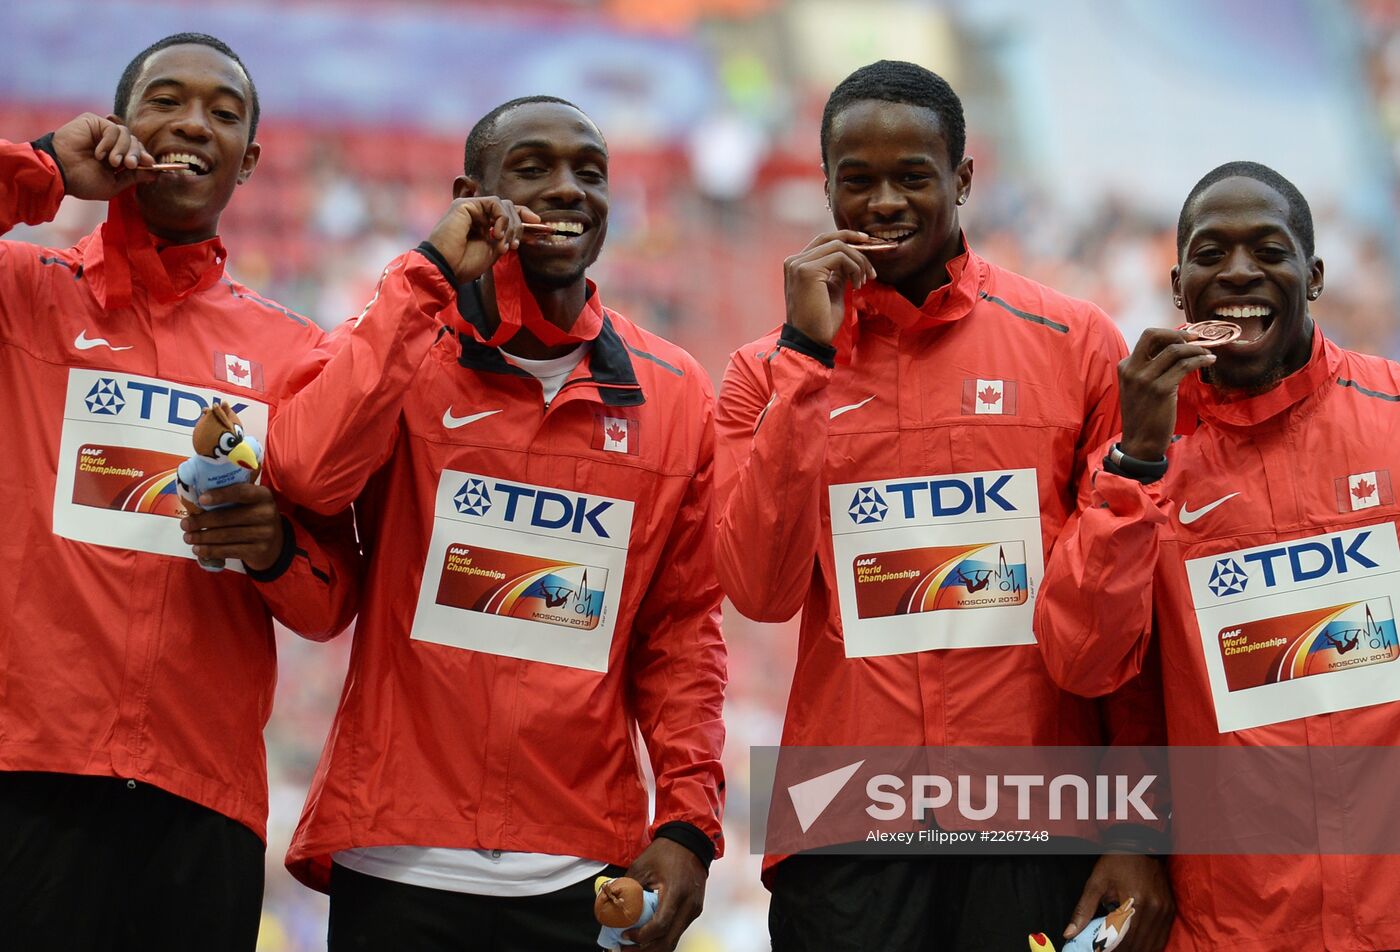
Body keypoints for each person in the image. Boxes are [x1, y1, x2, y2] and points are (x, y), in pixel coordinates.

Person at [713, 60, 1172, 951]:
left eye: (913, 177)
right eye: (858, 180)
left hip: (1039, 817)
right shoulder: (762, 371)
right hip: (846, 822)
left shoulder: (1076, 344)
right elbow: (760, 591)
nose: (884, 202)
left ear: (962, 178)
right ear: (826, 185)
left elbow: (1126, 621)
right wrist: (807, 360)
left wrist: (1137, 826)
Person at [266, 95, 726, 952]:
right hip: (399, 862)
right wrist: (427, 273)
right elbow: (303, 471)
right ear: (468, 193)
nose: (567, 189)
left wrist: (691, 821)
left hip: (585, 869)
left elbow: (683, 633)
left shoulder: (676, 393)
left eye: (590, 172)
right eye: (532, 168)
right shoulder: (399, 345)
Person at [0, 33, 361, 952]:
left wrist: (275, 549)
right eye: (165, 99)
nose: (193, 123)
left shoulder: (296, 355)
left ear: (252, 163)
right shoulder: (20, 293)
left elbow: (331, 604)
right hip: (22, 773)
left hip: (201, 805)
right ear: (120, 124)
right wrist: (41, 172)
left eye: (225, 113)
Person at [1036, 161, 1400, 950]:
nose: (1239, 271)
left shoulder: (1393, 418)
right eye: (1211, 254)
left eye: (1268, 249)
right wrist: (1134, 463)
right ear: (1178, 284)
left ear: (1315, 273)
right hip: (1235, 920)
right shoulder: (1139, 462)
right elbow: (1086, 667)